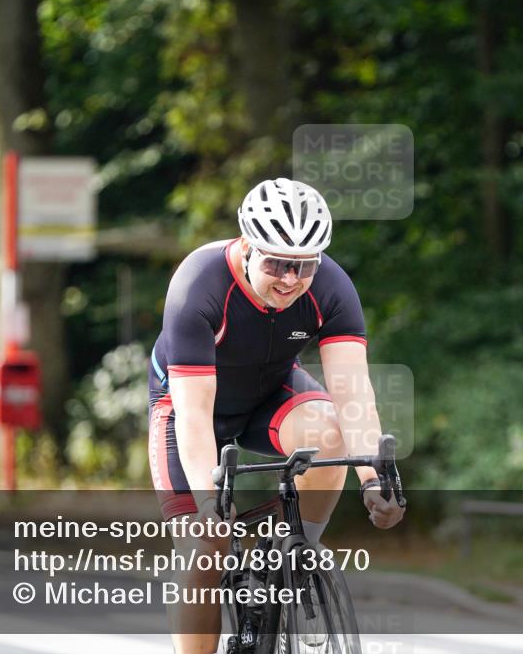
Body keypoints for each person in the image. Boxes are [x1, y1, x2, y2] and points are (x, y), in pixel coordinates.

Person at [147, 177, 406, 654]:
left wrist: (374, 480)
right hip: (190, 407)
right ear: (247, 247)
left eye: (304, 265)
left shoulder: (331, 286)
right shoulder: (199, 282)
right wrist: (210, 504)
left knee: (331, 431)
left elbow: (353, 394)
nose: (290, 278)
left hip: (269, 395)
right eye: (278, 263)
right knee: (203, 550)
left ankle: (299, 550)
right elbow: (195, 412)